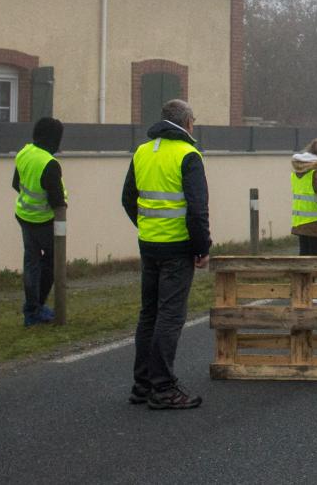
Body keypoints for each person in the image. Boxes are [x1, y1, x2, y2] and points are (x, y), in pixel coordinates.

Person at [121, 99, 210, 410]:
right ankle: (163, 388)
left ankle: (142, 385)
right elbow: (197, 210)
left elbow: (127, 198)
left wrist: (145, 225)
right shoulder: (189, 155)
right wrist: (202, 248)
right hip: (177, 246)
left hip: (149, 243)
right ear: (186, 123)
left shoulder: (143, 151)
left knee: (149, 314)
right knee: (170, 316)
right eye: (193, 121)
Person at [12, 116, 66, 326]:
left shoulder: (24, 153)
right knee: (52, 263)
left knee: (31, 263)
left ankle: (31, 310)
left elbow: (16, 183)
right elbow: (57, 200)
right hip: (44, 221)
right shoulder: (49, 163)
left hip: (24, 216)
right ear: (54, 139)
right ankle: (36, 308)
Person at [289, 138, 317, 256]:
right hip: (316, 222)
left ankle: (303, 275)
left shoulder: (297, 172)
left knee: (303, 256)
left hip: (300, 221)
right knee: (316, 258)